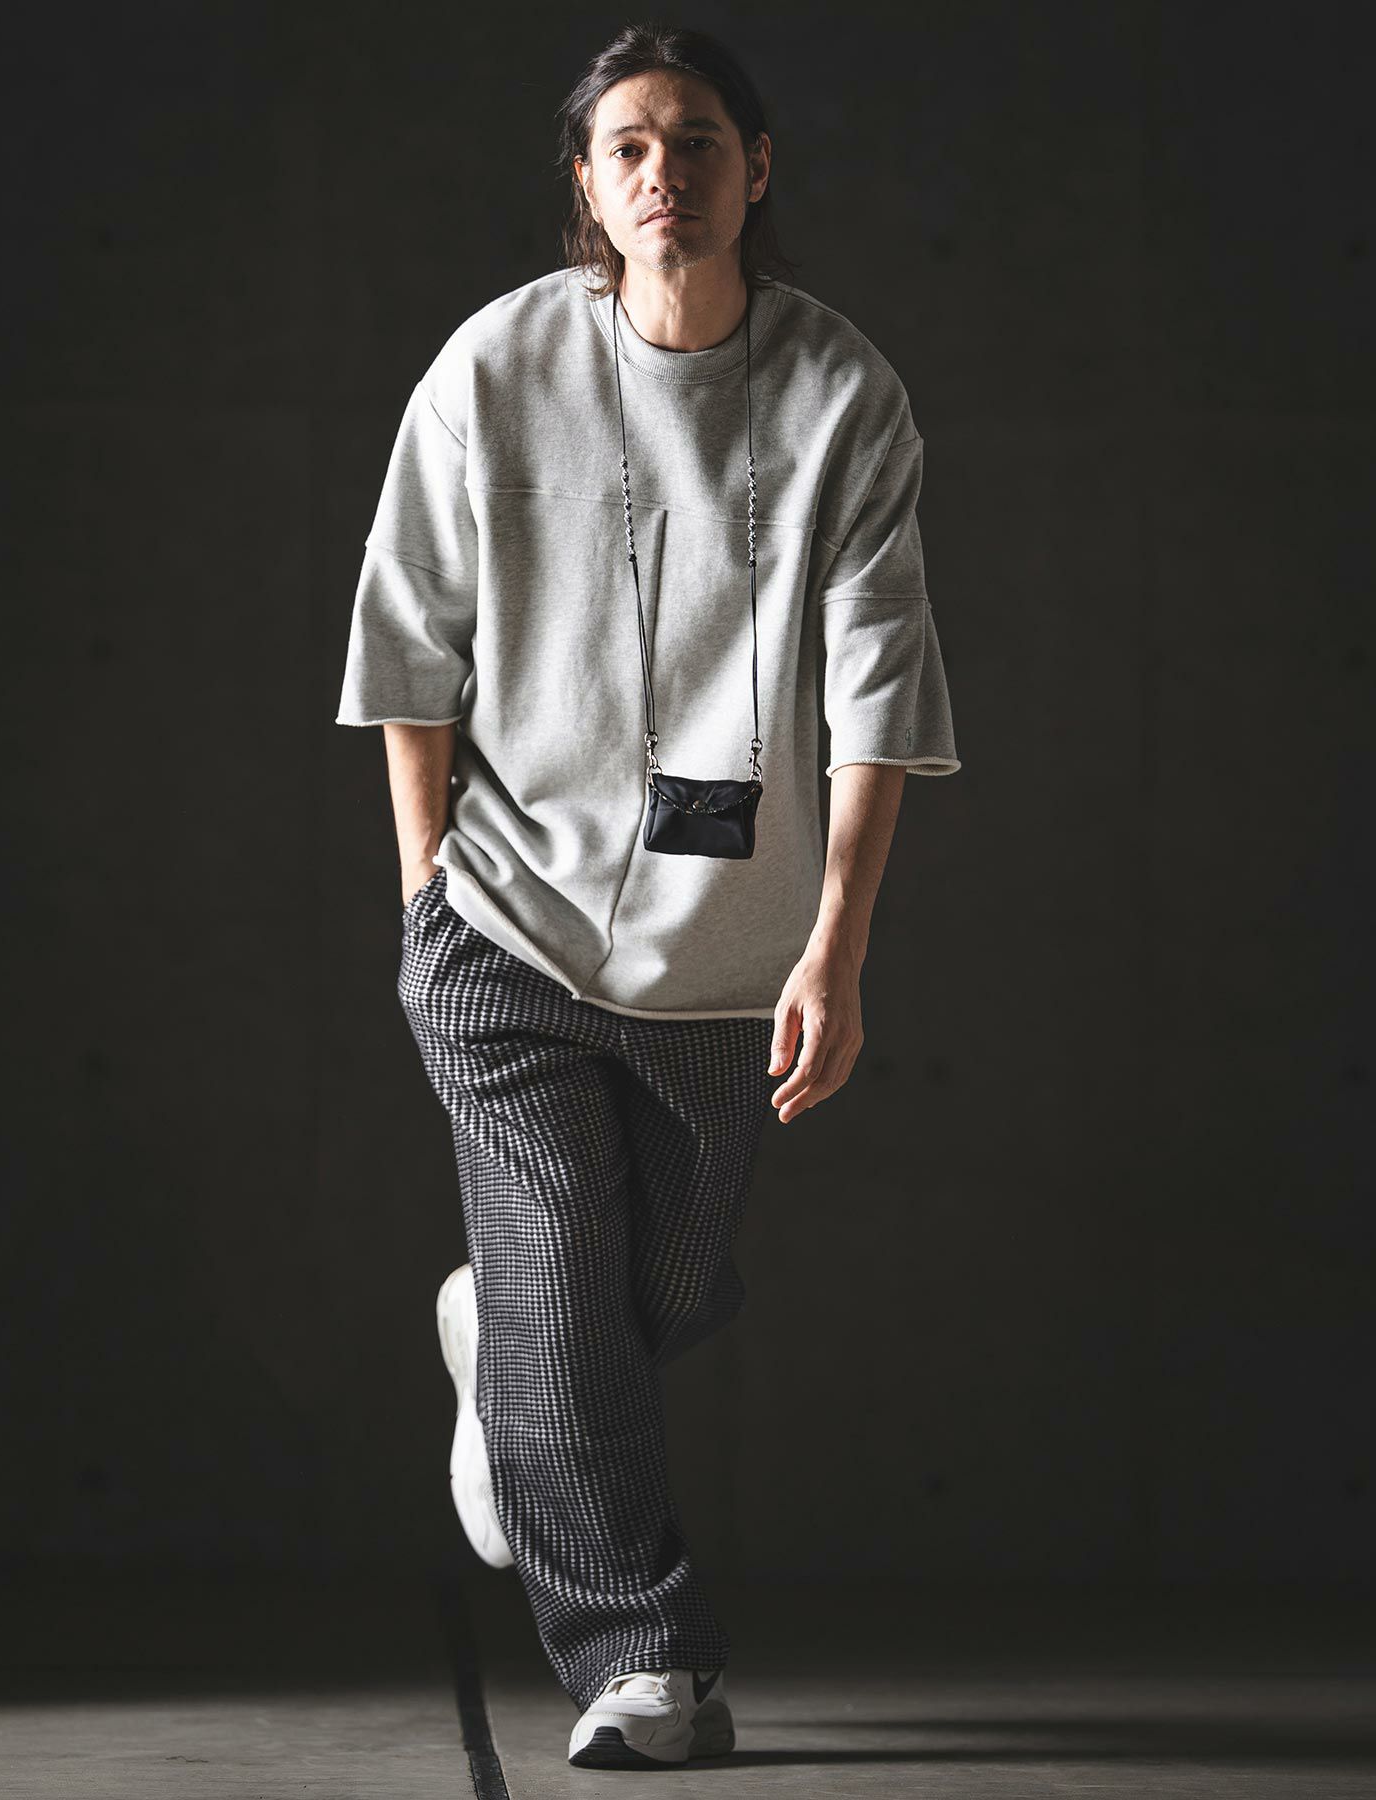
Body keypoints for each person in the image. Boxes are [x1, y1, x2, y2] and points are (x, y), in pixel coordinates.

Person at [335, 23, 960, 1772]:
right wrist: (425, 888)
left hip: (725, 960)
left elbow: (881, 695)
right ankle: (646, 1658)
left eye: (693, 138)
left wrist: (837, 947)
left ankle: (502, 1349)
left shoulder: (842, 395)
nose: (660, 170)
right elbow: (408, 647)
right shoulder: (496, 367)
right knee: (562, 1282)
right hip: (504, 927)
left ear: (757, 168)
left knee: (653, 1297)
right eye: (625, 145)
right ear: (589, 187)